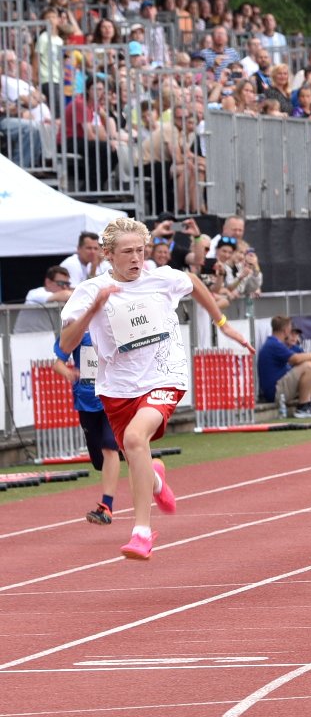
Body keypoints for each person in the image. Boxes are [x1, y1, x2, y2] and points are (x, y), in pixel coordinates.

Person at [58, 217, 250, 560]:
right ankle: (157, 481)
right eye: (127, 252)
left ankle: (142, 532)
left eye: (140, 251)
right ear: (108, 254)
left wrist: (224, 325)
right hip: (117, 387)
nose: (136, 258)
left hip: (165, 376)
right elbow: (67, 341)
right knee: (136, 450)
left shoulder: (161, 278)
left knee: (134, 440)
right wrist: (94, 309)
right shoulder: (89, 291)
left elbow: (193, 281)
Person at [51, 328, 121, 525]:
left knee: (109, 446)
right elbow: (57, 364)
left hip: (111, 398)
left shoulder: (111, 327)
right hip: (86, 402)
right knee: (99, 461)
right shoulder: (77, 330)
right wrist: (69, 373)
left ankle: (106, 507)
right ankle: (124, 451)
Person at [256, 315, 311, 418]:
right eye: (291, 329)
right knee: (308, 367)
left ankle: (310, 403)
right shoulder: (273, 344)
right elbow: (296, 359)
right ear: (286, 330)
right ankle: (303, 406)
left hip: (281, 388)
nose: (293, 333)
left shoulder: (278, 343)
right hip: (275, 393)